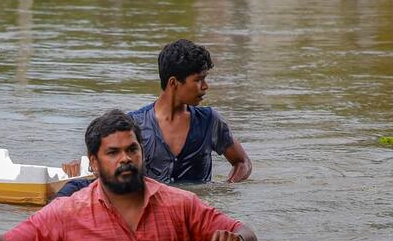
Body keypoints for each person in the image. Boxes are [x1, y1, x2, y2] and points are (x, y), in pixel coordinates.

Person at [0, 110, 257, 241]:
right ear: (93, 163)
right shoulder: (69, 211)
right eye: (113, 152)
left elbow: (245, 234)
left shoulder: (182, 204)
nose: (125, 159)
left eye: (132, 149)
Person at [57, 39, 252, 197]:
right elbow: (105, 169)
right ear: (174, 83)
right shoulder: (134, 125)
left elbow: (242, 162)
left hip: (195, 216)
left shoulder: (210, 121)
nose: (205, 86)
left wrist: (226, 188)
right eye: (199, 80)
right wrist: (83, 168)